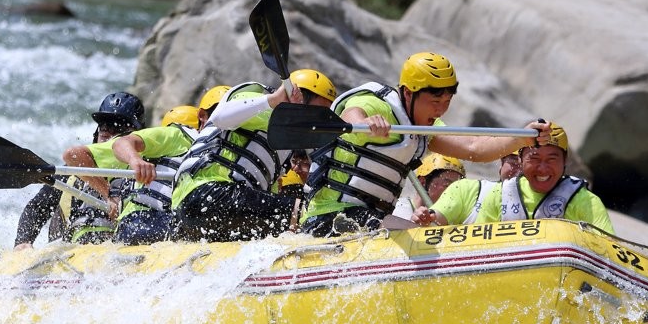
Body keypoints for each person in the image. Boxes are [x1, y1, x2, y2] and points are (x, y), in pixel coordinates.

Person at [301, 51, 550, 237]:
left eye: (447, 101)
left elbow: (474, 148)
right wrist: (368, 124)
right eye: (434, 101)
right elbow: (350, 115)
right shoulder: (378, 104)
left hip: (371, 218)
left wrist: (521, 138)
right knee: (426, 239)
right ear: (409, 93)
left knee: (427, 235)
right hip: (332, 216)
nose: (440, 109)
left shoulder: (424, 128)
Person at [171, 68, 338, 242]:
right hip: (207, 193)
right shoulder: (258, 99)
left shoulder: (287, 144)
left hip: (195, 217)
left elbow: (266, 194)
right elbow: (220, 117)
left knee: (287, 223)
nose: (320, 121)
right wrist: (274, 100)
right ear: (300, 97)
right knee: (306, 213)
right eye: (319, 112)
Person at [412, 122, 614, 234]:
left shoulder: (586, 201)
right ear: (522, 160)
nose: (542, 168)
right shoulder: (499, 194)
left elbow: (608, 250)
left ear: (564, 162)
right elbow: (479, 241)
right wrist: (428, 218)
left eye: (552, 159)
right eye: (534, 158)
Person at [14, 91, 145, 248]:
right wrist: (23, 242)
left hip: (118, 250)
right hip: (68, 249)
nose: (108, 132)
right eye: (104, 125)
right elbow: (36, 208)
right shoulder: (72, 170)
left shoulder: (145, 172)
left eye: (119, 126)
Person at [107, 103, 202, 245]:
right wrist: (135, 160)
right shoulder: (175, 134)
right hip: (139, 221)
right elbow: (121, 143)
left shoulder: (200, 152)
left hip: (149, 221)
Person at [392, 153, 466, 220]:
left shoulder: (455, 218)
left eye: (457, 188)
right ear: (422, 182)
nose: (454, 192)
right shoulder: (397, 210)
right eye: (447, 185)